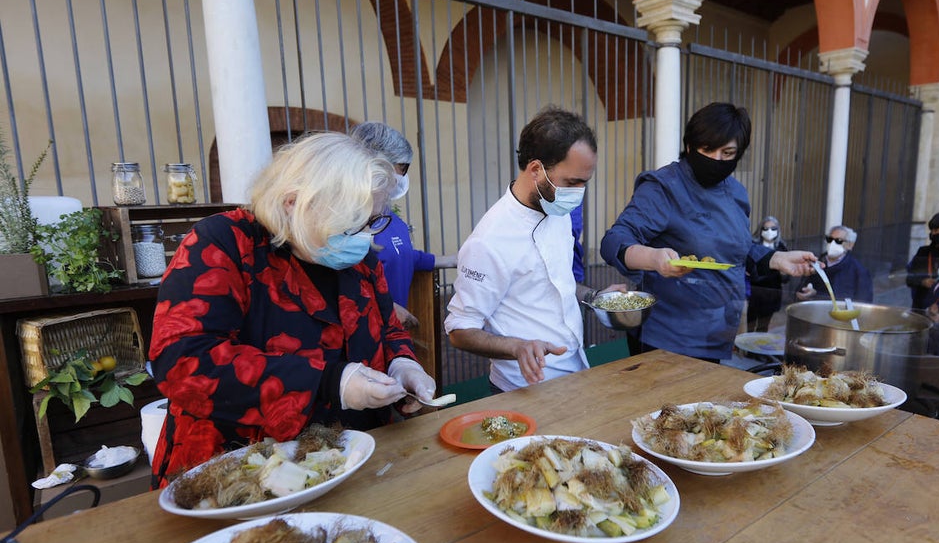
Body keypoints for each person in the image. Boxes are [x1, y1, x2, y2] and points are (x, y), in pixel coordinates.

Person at [148, 132, 437, 485]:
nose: (366, 236)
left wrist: (402, 364)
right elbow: (182, 361)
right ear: (293, 204)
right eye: (352, 221)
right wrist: (331, 381)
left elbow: (387, 327)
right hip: (238, 473)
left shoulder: (359, 258)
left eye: (372, 220)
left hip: (351, 461)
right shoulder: (225, 244)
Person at [600, 102, 817, 361]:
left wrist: (777, 259)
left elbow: (736, 247)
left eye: (727, 153)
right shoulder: (663, 187)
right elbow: (614, 241)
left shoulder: (736, 192)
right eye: (707, 149)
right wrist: (653, 258)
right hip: (667, 338)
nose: (716, 160)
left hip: (718, 333)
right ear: (690, 145)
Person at [444, 107, 625, 391]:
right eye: (572, 182)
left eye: (584, 183)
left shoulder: (558, 212)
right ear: (536, 169)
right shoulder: (488, 241)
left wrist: (595, 296)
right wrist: (517, 347)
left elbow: (555, 283)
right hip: (523, 388)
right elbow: (459, 330)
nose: (579, 193)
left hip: (576, 372)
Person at [351, 122, 456, 329]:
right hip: (365, 331)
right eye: (402, 167)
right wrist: (389, 308)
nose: (404, 176)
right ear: (376, 163)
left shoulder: (387, 214)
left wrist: (450, 260)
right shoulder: (348, 221)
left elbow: (402, 254)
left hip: (393, 333)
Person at [795, 225, 873, 304]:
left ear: (850, 245)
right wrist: (804, 292)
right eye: (829, 239)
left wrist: (816, 294)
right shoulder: (816, 263)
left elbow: (863, 302)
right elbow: (800, 289)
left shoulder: (858, 271)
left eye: (838, 241)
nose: (832, 244)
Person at [747, 216, 789, 331]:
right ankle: (748, 348)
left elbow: (786, 278)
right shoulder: (753, 247)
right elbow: (749, 270)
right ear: (760, 230)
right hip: (755, 291)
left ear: (778, 230)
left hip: (772, 293)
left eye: (773, 228)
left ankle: (757, 348)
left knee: (763, 326)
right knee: (750, 324)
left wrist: (783, 273)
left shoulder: (782, 248)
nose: (769, 232)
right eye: (765, 229)